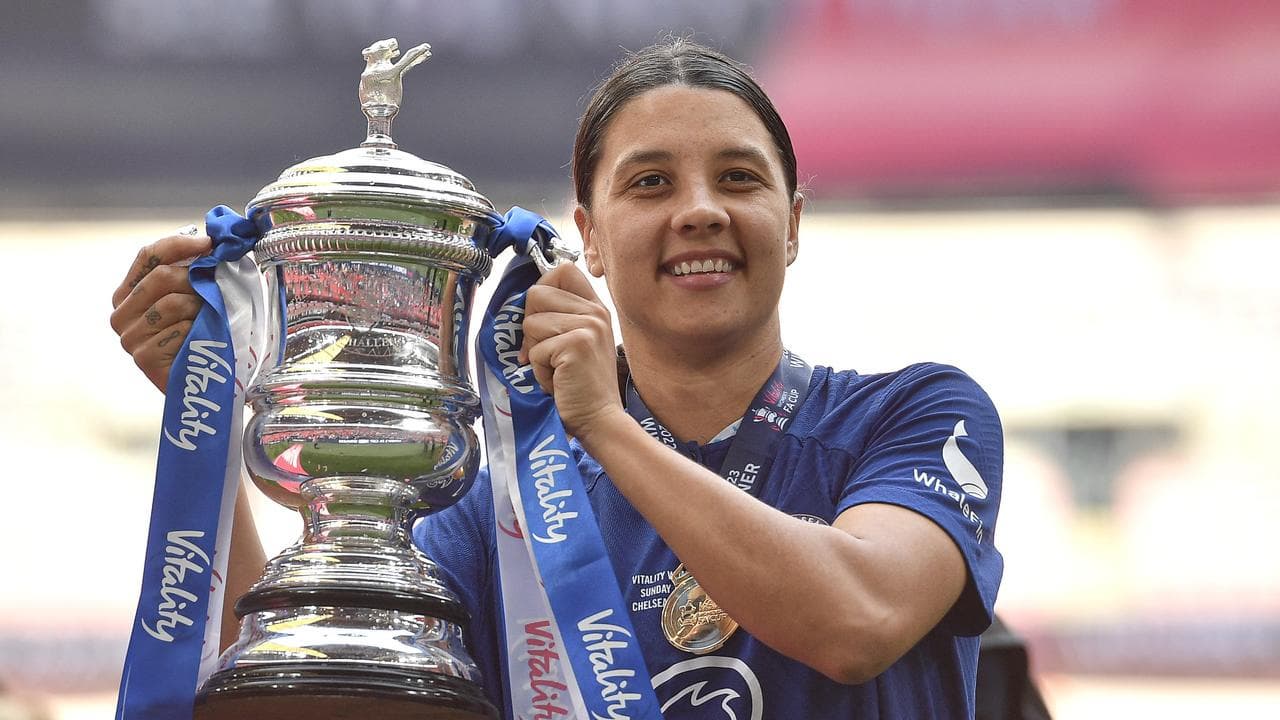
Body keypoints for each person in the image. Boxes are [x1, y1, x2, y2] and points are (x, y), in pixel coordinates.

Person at [111, 39, 1004, 719]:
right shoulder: (499, 513)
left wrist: (603, 425)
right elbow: (320, 680)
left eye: (739, 178)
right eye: (650, 183)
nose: (699, 210)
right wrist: (211, 430)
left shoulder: (917, 414)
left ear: (794, 222)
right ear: (593, 237)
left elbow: (855, 622)